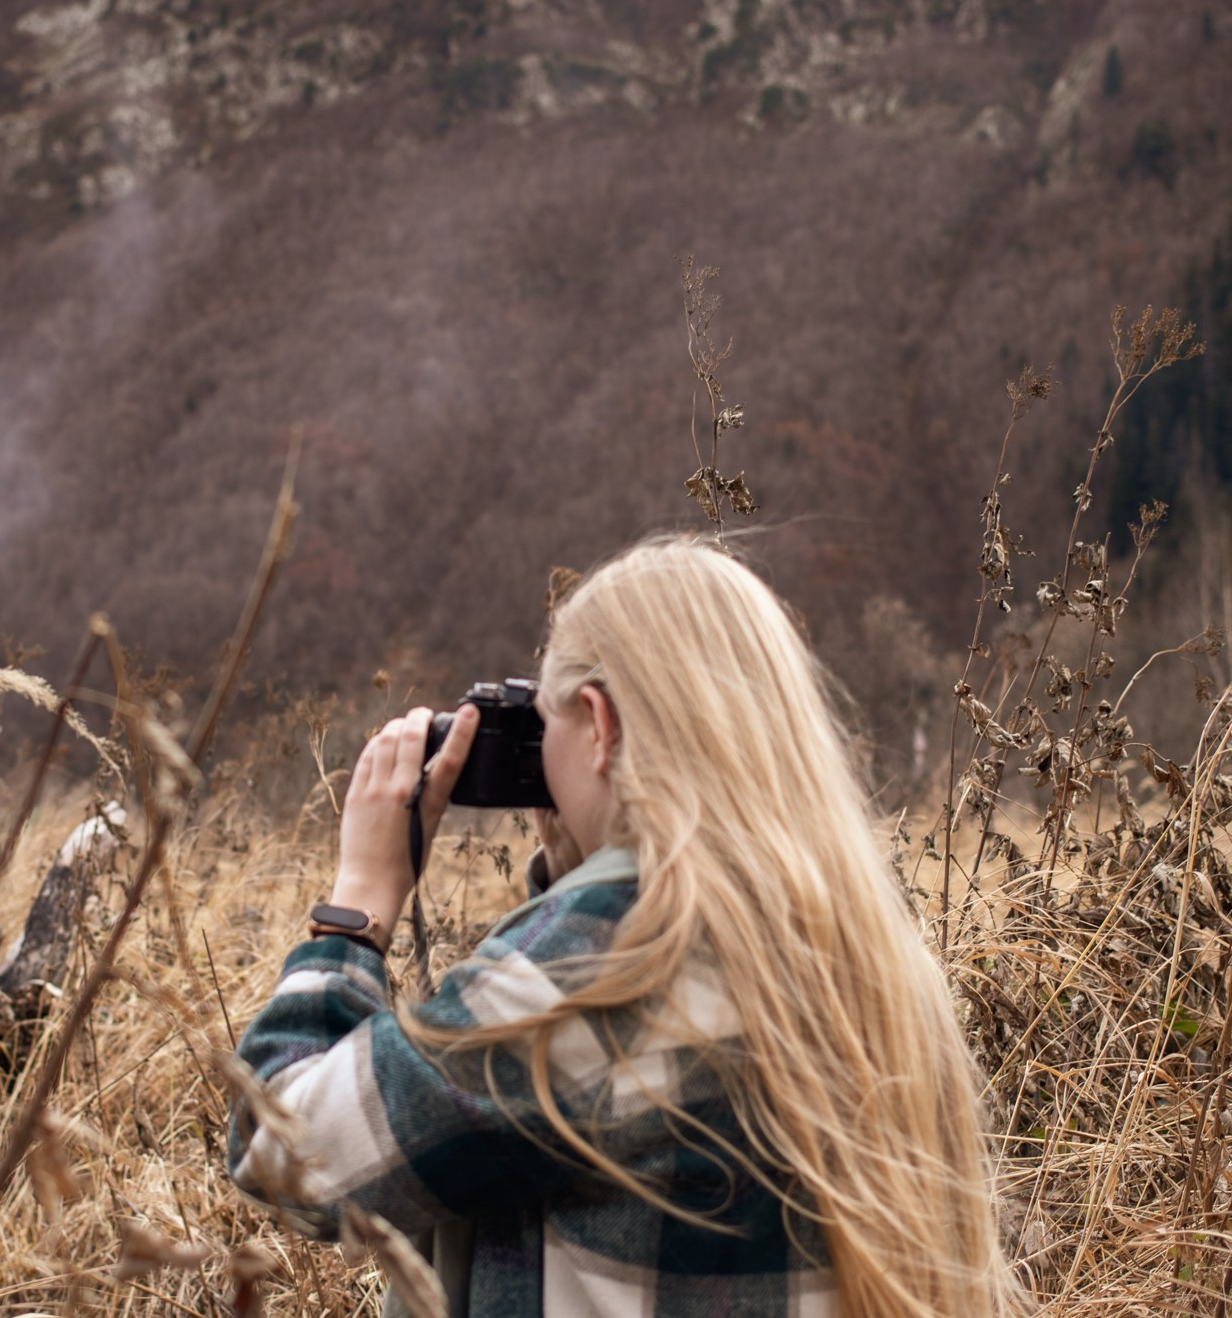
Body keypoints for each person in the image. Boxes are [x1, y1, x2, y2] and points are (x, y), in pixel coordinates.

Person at [228, 538, 1016, 1317]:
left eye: (547, 724)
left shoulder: (615, 950)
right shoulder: (866, 943)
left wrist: (360, 901)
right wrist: (579, 870)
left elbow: (285, 1152)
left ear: (600, 724)